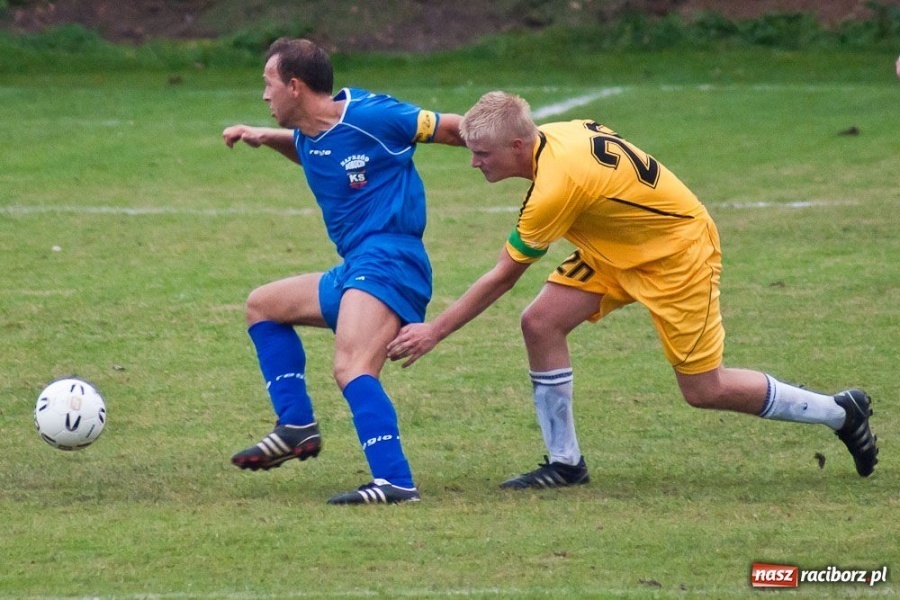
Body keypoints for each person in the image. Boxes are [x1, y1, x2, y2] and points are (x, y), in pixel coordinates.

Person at [387, 91, 879, 489]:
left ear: (518, 147)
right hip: (614, 250)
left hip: (675, 254)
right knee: (540, 322)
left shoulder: (554, 186)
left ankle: (840, 412)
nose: (473, 163)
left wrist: (435, 331)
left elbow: (501, 276)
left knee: (704, 390)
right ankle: (565, 463)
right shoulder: (554, 136)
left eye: (481, 153)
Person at [222, 38, 464, 505]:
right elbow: (316, 147)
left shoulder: (372, 117)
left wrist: (527, 145)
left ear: (294, 86)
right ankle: (295, 425)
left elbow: (453, 128)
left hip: (391, 260)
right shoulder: (312, 132)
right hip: (359, 266)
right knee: (263, 306)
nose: (264, 95)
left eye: (268, 84)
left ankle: (395, 483)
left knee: (352, 365)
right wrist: (262, 135)